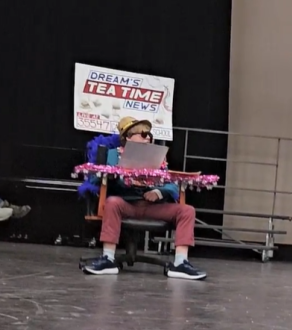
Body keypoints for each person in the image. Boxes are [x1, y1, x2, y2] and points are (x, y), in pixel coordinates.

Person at [77, 117, 206, 280]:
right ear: (127, 138)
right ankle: (108, 259)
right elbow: (95, 179)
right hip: (126, 204)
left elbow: (171, 183)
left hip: (152, 207)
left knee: (187, 211)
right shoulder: (111, 155)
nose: (148, 138)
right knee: (112, 202)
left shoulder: (158, 158)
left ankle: (181, 263)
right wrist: (114, 175)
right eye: (143, 134)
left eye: (149, 134)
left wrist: (159, 192)